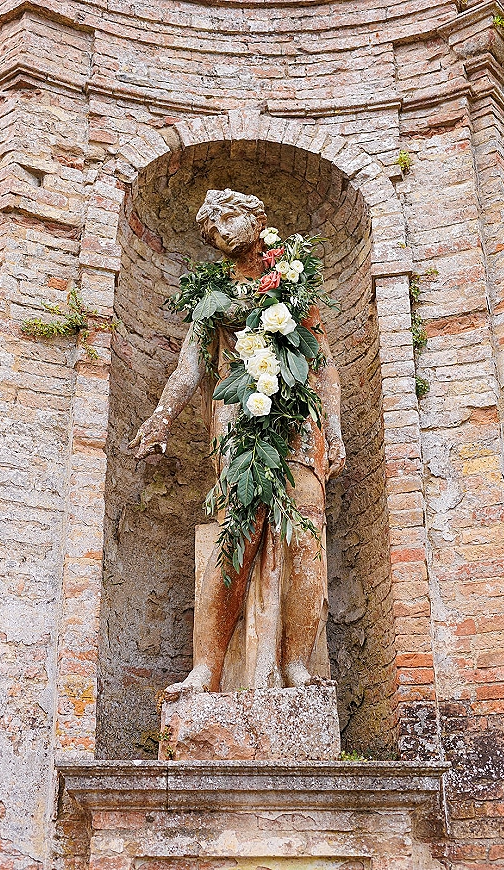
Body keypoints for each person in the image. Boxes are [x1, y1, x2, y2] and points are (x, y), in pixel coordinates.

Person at [129, 189, 345, 696]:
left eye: (227, 218)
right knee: (236, 537)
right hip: (238, 420)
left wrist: (333, 427)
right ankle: (206, 668)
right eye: (209, 229)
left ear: (256, 218)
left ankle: (296, 665)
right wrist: (161, 418)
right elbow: (192, 365)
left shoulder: (292, 279)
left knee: (305, 537)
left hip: (297, 419)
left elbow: (323, 361)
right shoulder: (215, 294)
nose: (220, 231)